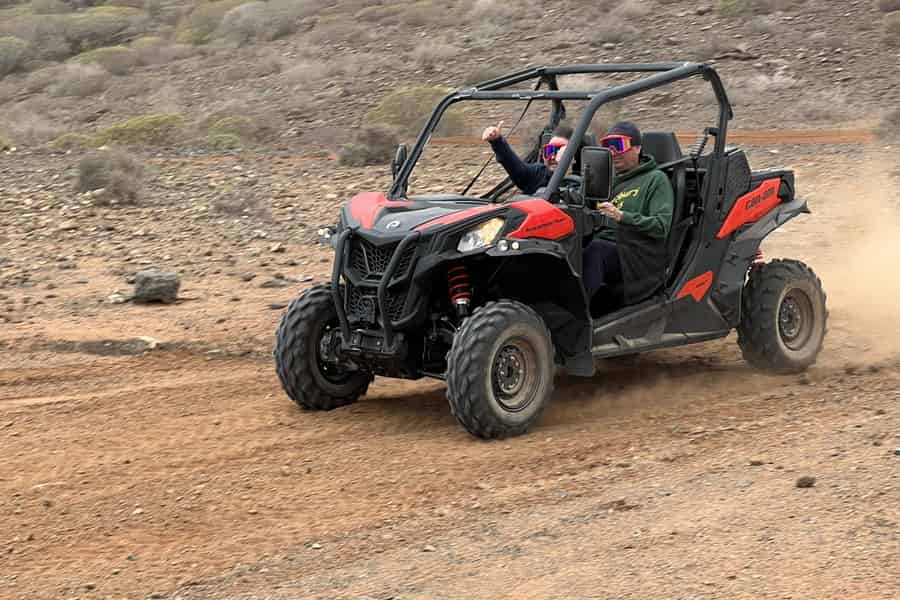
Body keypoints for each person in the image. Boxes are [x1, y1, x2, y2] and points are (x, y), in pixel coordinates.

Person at [583, 121, 674, 306]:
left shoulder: (656, 179)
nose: (613, 152)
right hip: (608, 245)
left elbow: (661, 226)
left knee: (595, 251)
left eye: (619, 145)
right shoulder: (609, 180)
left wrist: (621, 216)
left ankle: (574, 317)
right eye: (608, 146)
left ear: (637, 148)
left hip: (636, 253)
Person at [481, 121, 574, 195]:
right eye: (550, 150)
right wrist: (497, 141)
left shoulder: (584, 183)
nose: (552, 157)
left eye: (559, 150)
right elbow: (517, 168)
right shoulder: (539, 174)